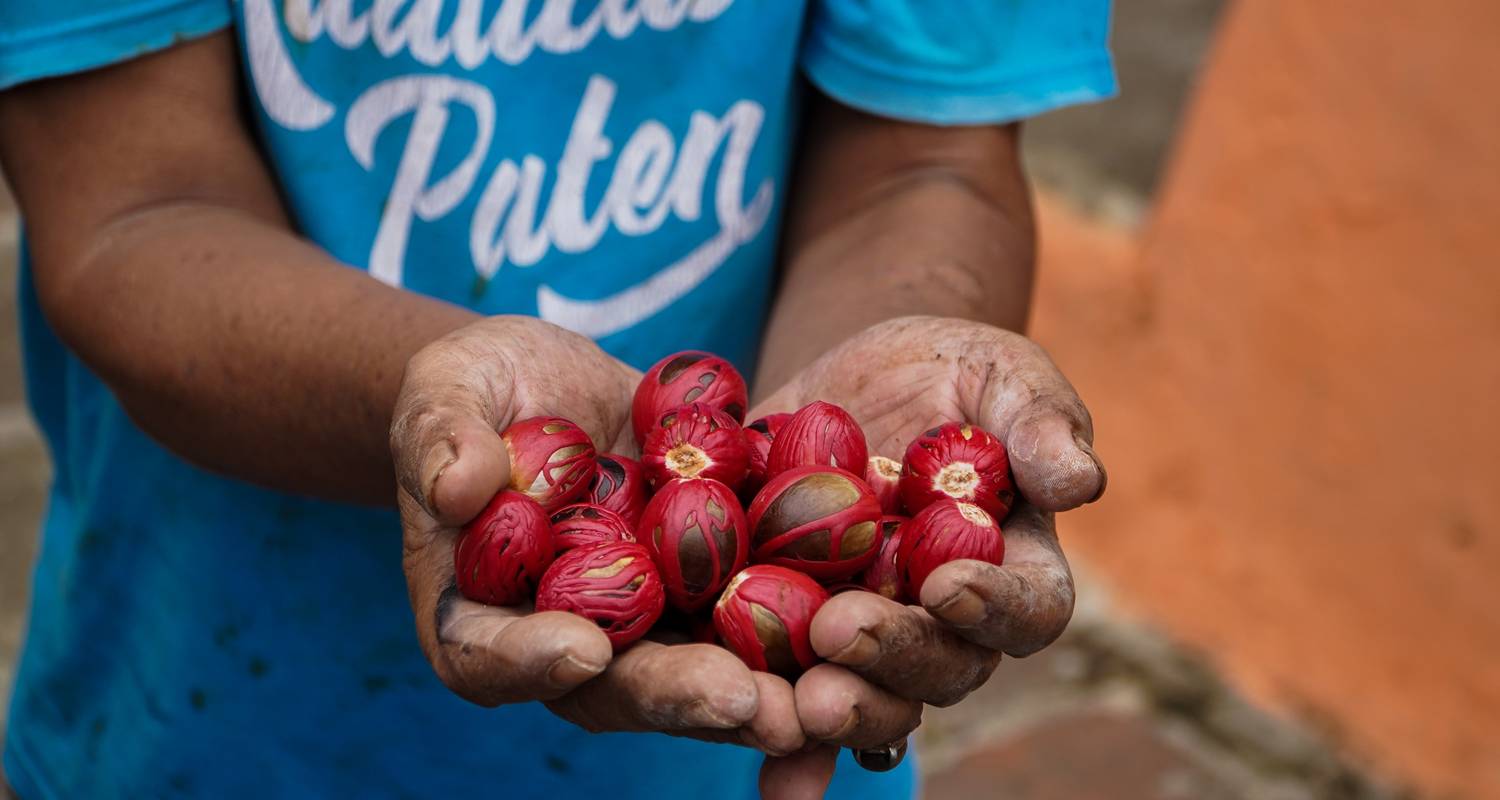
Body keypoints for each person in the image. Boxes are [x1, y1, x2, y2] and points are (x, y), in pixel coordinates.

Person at [0, 1, 1113, 797]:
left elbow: (924, 163)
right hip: (206, 701)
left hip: (743, 734)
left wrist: (889, 385)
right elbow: (133, 208)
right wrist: (434, 398)